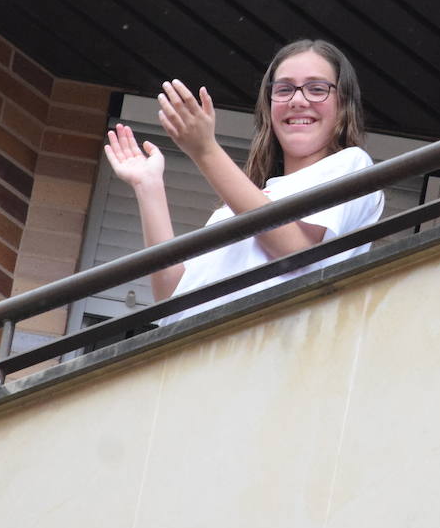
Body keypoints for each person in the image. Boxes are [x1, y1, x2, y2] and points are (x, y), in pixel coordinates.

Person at [103, 39, 384, 325]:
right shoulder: (233, 209)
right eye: (284, 89)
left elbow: (295, 250)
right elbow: (172, 295)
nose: (298, 100)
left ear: (343, 102)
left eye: (317, 88)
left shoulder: (353, 165)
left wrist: (204, 150)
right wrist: (148, 186)